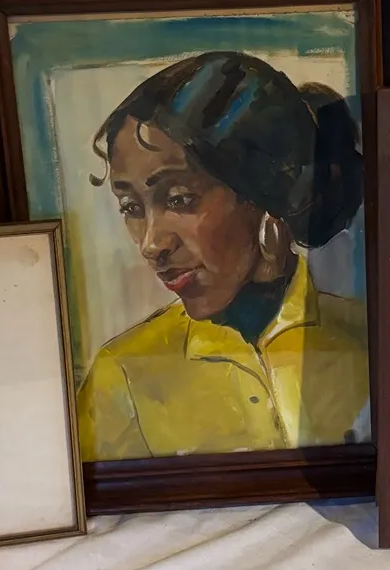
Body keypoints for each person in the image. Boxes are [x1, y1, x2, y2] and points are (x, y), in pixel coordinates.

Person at [77, 51, 370, 461]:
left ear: (265, 193)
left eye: (179, 199)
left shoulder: (371, 343)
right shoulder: (121, 373)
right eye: (131, 207)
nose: (151, 244)